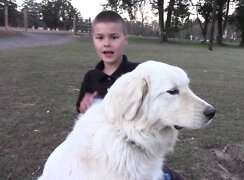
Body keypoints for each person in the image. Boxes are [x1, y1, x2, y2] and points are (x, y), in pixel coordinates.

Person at [75, 10, 184, 180]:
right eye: (100, 37)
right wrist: (84, 107)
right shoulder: (91, 77)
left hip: (140, 149)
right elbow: (82, 114)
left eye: (113, 37)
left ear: (125, 39)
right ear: (93, 40)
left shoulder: (139, 73)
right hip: (108, 151)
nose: (107, 43)